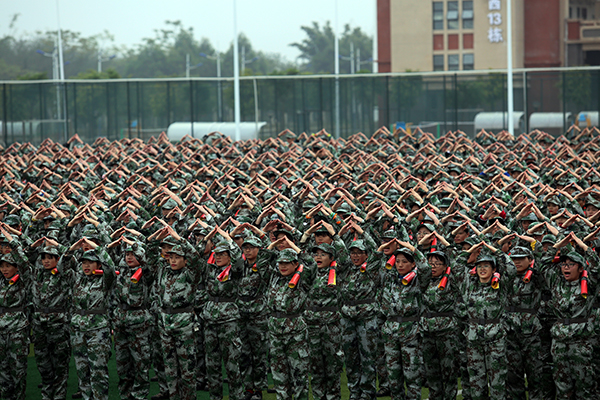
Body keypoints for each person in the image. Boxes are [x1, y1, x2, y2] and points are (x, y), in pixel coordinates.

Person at [539, 233, 598, 399]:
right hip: (559, 342)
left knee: (585, 388)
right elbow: (543, 264)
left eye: (571, 264)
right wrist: (558, 245)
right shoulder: (556, 282)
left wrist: (582, 244)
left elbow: (596, 266)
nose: (566, 267)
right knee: (562, 387)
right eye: (564, 264)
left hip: (580, 342)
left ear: (580, 268)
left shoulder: (589, 284)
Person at [459, 243, 516, 400]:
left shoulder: (501, 286)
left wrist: (495, 250)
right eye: (479, 266)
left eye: (486, 266)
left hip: (495, 338)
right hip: (474, 338)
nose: (482, 269)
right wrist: (470, 250)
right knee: (476, 381)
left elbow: (511, 269)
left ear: (493, 269)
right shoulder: (468, 285)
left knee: (497, 381)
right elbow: (457, 267)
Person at [152, 227, 201, 400]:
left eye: (177, 257)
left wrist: (180, 239)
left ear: (185, 260)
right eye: (170, 257)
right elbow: (149, 257)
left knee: (187, 367)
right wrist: (156, 239)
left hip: (184, 323)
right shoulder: (163, 271)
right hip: (165, 322)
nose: (173, 260)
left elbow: (195, 258)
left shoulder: (190, 274)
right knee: (170, 367)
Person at [66, 237, 117, 400]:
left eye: (90, 262)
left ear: (99, 265)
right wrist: (72, 249)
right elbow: (62, 266)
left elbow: (110, 266)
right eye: (84, 262)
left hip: (98, 330)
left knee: (98, 371)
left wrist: (97, 248)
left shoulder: (105, 280)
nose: (86, 266)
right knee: (82, 371)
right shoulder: (77, 278)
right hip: (78, 329)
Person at [379, 241, 430, 400]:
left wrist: (413, 249)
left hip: (410, 330)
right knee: (393, 374)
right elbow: (374, 266)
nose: (400, 265)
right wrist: (381, 249)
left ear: (413, 264)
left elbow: (425, 268)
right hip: (390, 330)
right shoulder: (390, 278)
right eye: (398, 261)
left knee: (412, 373)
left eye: (405, 261)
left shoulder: (418, 280)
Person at [27, 238, 71, 400]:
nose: (46, 261)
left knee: (60, 364)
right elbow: (24, 259)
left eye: (50, 258)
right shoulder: (36, 274)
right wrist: (33, 246)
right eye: (43, 258)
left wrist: (57, 245)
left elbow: (69, 256)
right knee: (43, 363)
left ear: (57, 260)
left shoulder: (64, 275)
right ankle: (46, 395)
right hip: (39, 325)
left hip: (58, 324)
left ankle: (59, 396)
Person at [110, 239, 153, 400]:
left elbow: (146, 261)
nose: (129, 257)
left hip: (139, 320)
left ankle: (139, 394)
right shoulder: (122, 271)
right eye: (127, 254)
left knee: (141, 361)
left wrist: (135, 246)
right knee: (122, 361)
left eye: (132, 254)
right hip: (121, 319)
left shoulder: (146, 272)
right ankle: (125, 393)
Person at [266, 248, 310, 400]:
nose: (282, 266)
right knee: (279, 375)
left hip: (295, 332)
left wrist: (297, 246)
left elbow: (311, 265)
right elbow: (263, 260)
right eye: (280, 263)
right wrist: (273, 244)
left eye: (286, 263)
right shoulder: (274, 277)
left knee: (299, 375)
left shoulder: (303, 279)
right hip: (275, 331)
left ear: (295, 264)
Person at [339, 240, 380, 400]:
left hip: (366, 318)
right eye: (353, 253)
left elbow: (376, 251)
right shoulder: (345, 269)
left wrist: (362, 231)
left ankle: (367, 393)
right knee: (350, 358)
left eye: (359, 253)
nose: (355, 256)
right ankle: (354, 391)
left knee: (367, 357)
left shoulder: (371, 269)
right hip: (347, 318)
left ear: (366, 255)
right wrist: (336, 235)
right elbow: (339, 251)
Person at [306, 242, 345, 400]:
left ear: (331, 257)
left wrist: (335, 236)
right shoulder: (309, 273)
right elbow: (302, 258)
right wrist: (305, 237)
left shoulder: (337, 272)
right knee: (315, 365)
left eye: (323, 254)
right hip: (312, 325)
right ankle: (318, 396)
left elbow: (344, 256)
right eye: (316, 254)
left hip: (331, 325)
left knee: (333, 364)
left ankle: (333, 396)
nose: (318, 257)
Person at [420, 245, 459, 400]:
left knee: (449, 370)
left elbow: (457, 262)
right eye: (431, 263)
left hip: (446, 331)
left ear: (445, 266)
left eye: (437, 263)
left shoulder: (451, 281)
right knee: (431, 370)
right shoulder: (423, 281)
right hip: (427, 331)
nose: (433, 267)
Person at [0, 232, 30, 400]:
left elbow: (24, 262)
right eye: (2, 266)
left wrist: (11, 240)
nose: (4, 269)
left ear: (16, 267)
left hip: (17, 330)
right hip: (1, 331)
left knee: (18, 370)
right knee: (3, 371)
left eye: (8, 266)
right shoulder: (1, 281)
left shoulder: (23, 280)